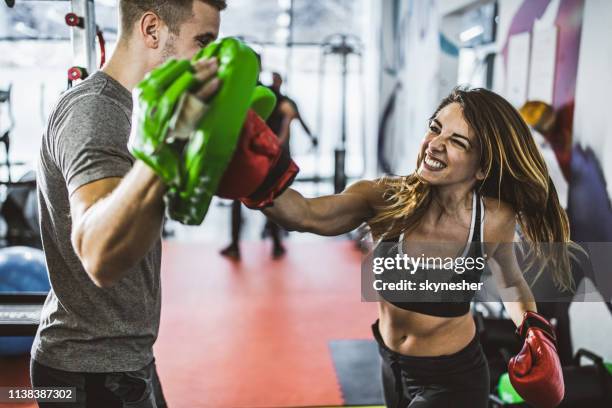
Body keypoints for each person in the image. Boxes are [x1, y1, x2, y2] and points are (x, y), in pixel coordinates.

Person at [258, 87, 570, 407]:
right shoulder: (386, 198)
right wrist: (254, 174)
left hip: (453, 380)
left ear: (481, 168)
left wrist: (534, 329)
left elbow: (510, 281)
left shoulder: (491, 219)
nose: (434, 145)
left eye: (457, 142)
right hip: (391, 368)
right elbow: (304, 215)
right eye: (435, 128)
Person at [31, 1, 225, 406]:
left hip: (122, 357)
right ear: (152, 30)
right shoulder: (96, 111)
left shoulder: (132, 112)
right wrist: (171, 144)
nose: (210, 60)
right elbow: (99, 255)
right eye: (202, 42)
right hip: (88, 371)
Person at [221, 71, 316, 260]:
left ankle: (276, 243)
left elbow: (297, 120)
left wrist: (309, 136)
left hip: (269, 155)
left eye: (277, 79)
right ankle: (237, 243)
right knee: (246, 200)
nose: (275, 81)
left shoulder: (282, 101)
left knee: (270, 198)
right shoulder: (256, 94)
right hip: (254, 156)